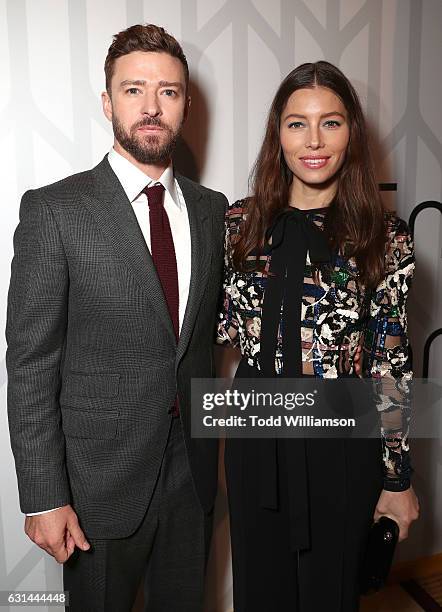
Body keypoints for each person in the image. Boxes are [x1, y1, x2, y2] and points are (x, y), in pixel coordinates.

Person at [6, 24, 227, 612]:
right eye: (134, 89)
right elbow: (30, 362)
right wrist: (42, 496)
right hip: (96, 483)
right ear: (108, 102)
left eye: (169, 92)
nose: (151, 107)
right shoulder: (55, 211)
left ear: (185, 105)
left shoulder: (213, 210)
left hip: (194, 474)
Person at [217, 61, 419, 611]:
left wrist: (397, 478)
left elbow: (389, 365)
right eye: (295, 123)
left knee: (333, 596)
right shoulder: (238, 226)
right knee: (260, 593)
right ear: (276, 134)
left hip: (342, 440)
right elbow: (216, 328)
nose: (313, 140)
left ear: (351, 131)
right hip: (257, 435)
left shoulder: (385, 237)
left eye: (329, 122)